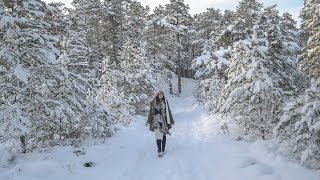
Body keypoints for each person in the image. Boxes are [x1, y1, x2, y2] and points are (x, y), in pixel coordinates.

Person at [147, 90, 174, 157]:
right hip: (156, 122)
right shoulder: (153, 102)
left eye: (161, 94)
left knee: (164, 135)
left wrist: (171, 121)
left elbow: (168, 111)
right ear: (157, 95)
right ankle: (159, 151)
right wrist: (149, 121)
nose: (160, 95)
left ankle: (163, 149)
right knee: (158, 136)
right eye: (159, 94)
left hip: (164, 121)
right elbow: (150, 112)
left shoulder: (165, 102)